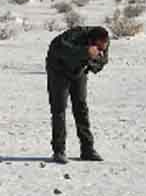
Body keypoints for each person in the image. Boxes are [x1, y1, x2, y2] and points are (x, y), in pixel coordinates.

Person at [45, 26, 110, 164]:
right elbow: (60, 49)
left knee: (81, 108)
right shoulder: (74, 35)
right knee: (59, 109)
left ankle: (87, 149)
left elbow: (103, 61)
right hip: (58, 70)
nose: (102, 49)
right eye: (98, 46)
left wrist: (93, 62)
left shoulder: (103, 41)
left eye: (103, 47)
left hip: (79, 71)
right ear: (92, 40)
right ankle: (59, 150)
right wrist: (85, 52)